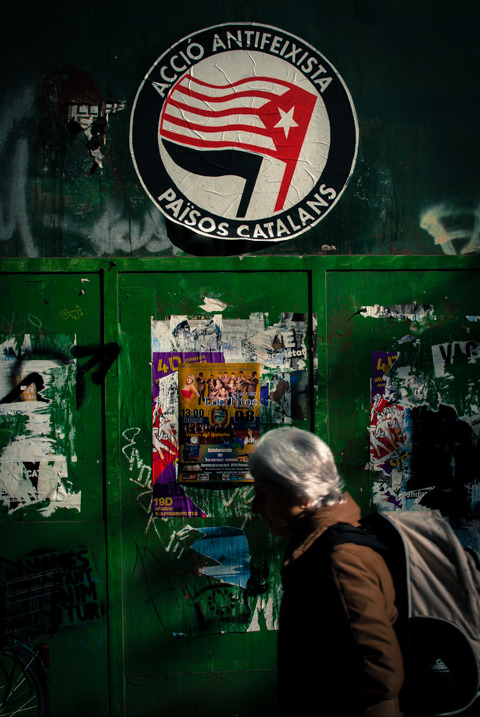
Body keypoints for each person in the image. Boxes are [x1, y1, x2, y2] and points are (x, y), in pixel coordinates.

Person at [249, 427, 404, 717]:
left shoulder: (340, 559)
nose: (255, 507)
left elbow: (380, 670)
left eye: (263, 494)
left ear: (303, 496)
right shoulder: (320, 546)